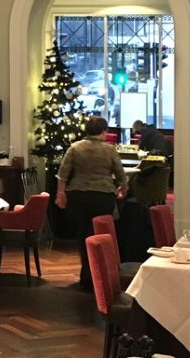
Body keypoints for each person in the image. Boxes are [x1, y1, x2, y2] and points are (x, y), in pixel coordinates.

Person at [56, 116, 127, 291]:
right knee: (99, 235)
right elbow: (120, 175)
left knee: (82, 234)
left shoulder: (75, 148)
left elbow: (63, 173)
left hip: (78, 195)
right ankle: (99, 275)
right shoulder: (109, 150)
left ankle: (85, 276)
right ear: (103, 131)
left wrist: (61, 193)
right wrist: (122, 189)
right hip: (102, 196)